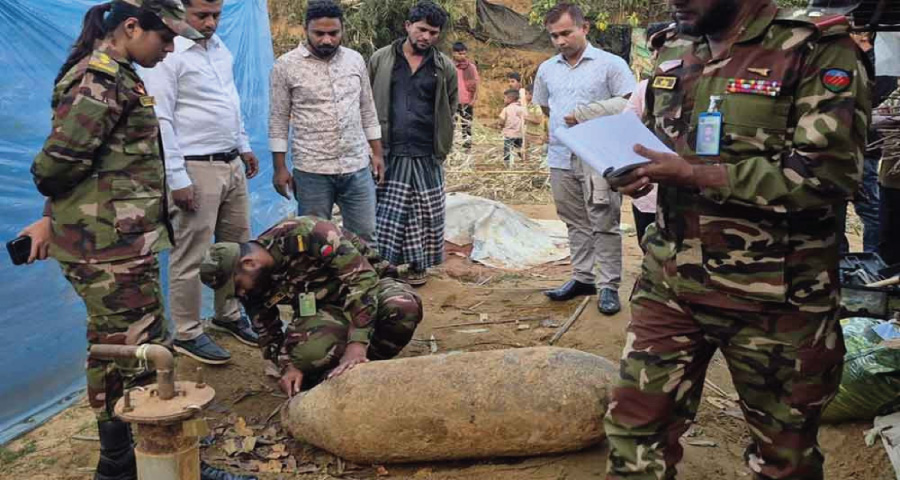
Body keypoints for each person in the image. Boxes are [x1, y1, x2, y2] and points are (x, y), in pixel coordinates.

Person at [602, 0, 871, 478]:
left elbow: (828, 175)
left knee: (784, 459)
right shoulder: (676, 45)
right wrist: (632, 169)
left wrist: (695, 175)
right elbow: (657, 139)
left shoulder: (816, 48)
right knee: (633, 438)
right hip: (671, 285)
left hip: (777, 302)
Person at [20, 2, 255, 479]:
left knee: (119, 350)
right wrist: (56, 214)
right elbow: (55, 166)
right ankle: (157, 458)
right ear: (131, 27)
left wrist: (57, 214)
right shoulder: (100, 79)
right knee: (140, 352)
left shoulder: (122, 75)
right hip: (107, 248)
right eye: (164, 39)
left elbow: (89, 162)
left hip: (121, 243)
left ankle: (123, 462)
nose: (170, 49)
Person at [139, 0, 259, 366]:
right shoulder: (169, 53)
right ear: (181, 12)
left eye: (216, 15)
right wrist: (177, 177)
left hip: (230, 162)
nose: (210, 23)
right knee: (191, 254)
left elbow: (230, 101)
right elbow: (161, 118)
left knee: (236, 246)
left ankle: (229, 314)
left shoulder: (219, 49)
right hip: (194, 167)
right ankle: (188, 332)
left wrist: (243, 145)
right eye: (201, 15)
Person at [199, 217, 424, 394]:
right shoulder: (252, 286)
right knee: (306, 357)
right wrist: (287, 366)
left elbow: (363, 280)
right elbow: (267, 332)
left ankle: (368, 365)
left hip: (371, 288)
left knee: (401, 307)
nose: (240, 294)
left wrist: (357, 344)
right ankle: (338, 374)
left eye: (238, 286)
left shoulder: (308, 233)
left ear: (249, 263)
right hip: (325, 309)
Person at [532, 3, 636, 314]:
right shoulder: (547, 69)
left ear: (584, 28)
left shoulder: (610, 64)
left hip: (598, 155)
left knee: (604, 220)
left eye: (566, 33)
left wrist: (588, 113)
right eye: (554, 36)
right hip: (561, 155)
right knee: (574, 221)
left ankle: (608, 285)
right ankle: (583, 277)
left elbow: (630, 104)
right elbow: (546, 108)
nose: (560, 41)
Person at [270, 0, 384, 245]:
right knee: (314, 240)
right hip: (312, 170)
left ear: (342, 30)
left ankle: (365, 273)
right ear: (305, 29)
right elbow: (278, 118)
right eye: (319, 33)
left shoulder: (355, 60)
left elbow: (367, 107)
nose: (327, 40)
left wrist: (376, 153)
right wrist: (279, 168)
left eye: (333, 33)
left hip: (356, 166)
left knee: (365, 236)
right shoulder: (285, 66)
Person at [368, 1, 458, 286]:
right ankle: (386, 266)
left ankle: (418, 265)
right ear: (408, 26)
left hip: (426, 151)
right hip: (388, 150)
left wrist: (442, 143)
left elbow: (450, 106)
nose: (426, 37)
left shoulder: (444, 67)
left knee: (424, 212)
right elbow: (366, 102)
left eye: (433, 32)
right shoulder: (381, 59)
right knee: (388, 212)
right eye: (421, 29)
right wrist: (372, 147)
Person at [834, 31, 880, 254]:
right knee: (834, 211)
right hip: (839, 151)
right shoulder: (844, 58)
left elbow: (873, 97)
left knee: (870, 210)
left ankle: (872, 257)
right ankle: (841, 257)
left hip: (864, 151)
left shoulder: (876, 62)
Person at [452, 41, 479, 151]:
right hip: (452, 102)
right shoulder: (449, 67)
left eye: (464, 53)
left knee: (467, 126)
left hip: (467, 102)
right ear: (454, 53)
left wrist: (473, 99)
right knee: (451, 126)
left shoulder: (471, 67)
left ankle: (467, 147)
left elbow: (476, 83)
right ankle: (451, 147)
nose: (463, 56)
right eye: (460, 54)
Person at [498, 89, 525, 167]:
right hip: (520, 134)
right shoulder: (522, 108)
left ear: (510, 99)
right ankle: (524, 160)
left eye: (505, 98)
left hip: (509, 134)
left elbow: (501, 121)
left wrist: (500, 126)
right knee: (520, 148)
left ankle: (507, 164)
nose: (504, 99)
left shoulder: (506, 109)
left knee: (507, 150)